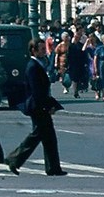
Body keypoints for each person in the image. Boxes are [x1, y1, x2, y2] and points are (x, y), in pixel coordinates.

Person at [5, 38, 66, 176]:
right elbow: (37, 91)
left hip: (40, 105)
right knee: (37, 135)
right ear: (34, 50)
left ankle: (53, 167)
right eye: (42, 49)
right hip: (37, 106)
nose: (45, 51)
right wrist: (48, 106)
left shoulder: (38, 64)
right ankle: (13, 159)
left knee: (48, 137)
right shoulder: (33, 66)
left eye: (45, 49)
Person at [92, 35, 104, 102]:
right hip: (102, 67)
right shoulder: (100, 49)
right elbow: (95, 59)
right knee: (103, 80)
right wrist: (95, 68)